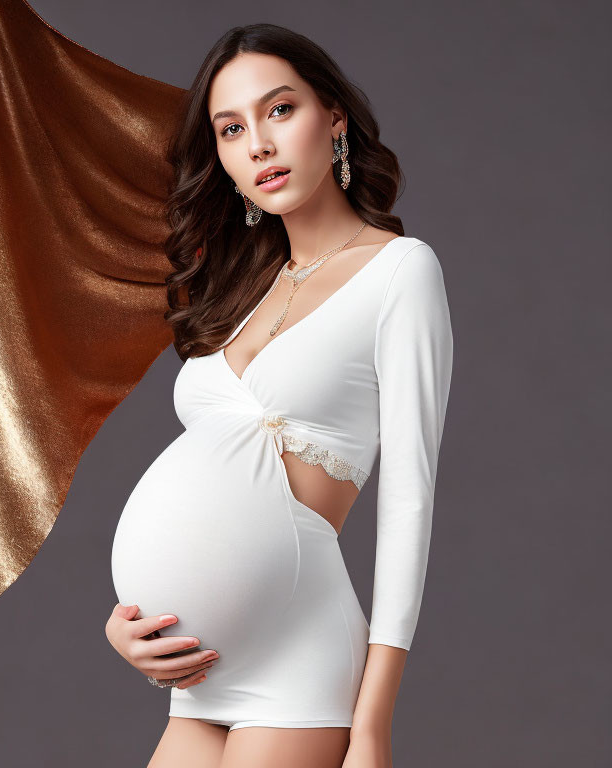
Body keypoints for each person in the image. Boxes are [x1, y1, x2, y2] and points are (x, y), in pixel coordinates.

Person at [105, 23, 453, 768]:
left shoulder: (401, 272)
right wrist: (126, 622)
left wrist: (373, 726)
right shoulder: (238, 288)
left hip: (299, 653)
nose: (258, 144)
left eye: (279, 110)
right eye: (232, 129)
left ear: (334, 120)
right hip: (196, 672)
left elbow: (410, 502)